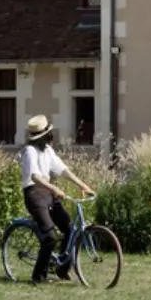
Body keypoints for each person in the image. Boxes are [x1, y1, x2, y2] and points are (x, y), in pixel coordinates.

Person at [18, 114, 95, 284]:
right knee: (50, 237)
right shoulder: (30, 151)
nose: (51, 136)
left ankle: (62, 269)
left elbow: (63, 170)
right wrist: (54, 188)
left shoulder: (47, 150)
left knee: (70, 228)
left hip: (47, 193)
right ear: (43, 135)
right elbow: (35, 177)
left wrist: (83, 185)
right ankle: (38, 277)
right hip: (34, 195)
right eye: (48, 134)